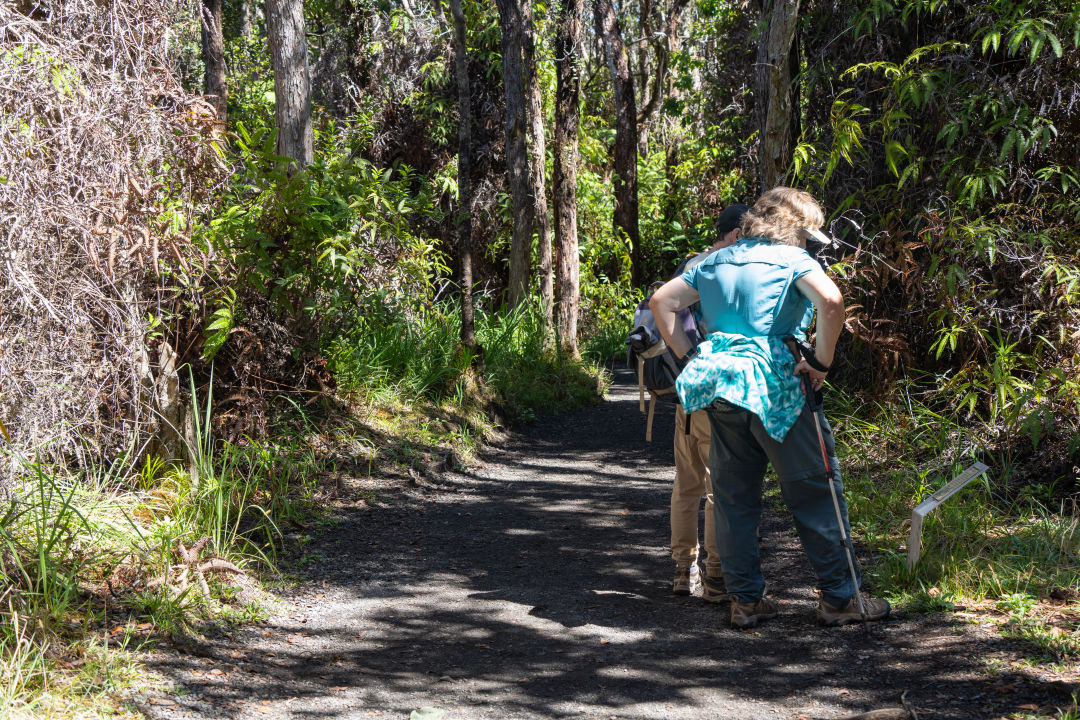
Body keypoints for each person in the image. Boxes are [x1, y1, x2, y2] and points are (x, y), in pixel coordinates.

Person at [649, 187, 890, 629]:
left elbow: (662, 302)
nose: (808, 245)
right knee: (815, 489)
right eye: (808, 236)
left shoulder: (714, 260)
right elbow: (831, 302)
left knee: (733, 497)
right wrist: (821, 361)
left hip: (721, 386)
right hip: (778, 386)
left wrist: (690, 356)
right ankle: (841, 599)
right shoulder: (793, 260)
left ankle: (745, 600)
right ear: (794, 228)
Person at [670, 204, 749, 601]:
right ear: (736, 234)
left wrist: (687, 361)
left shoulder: (690, 264)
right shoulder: (726, 270)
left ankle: (683, 570)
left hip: (687, 389)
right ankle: (716, 574)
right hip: (718, 388)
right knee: (719, 486)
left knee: (686, 483)